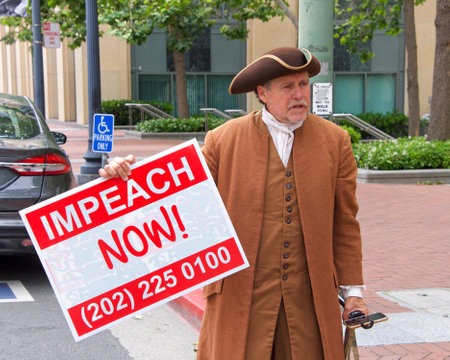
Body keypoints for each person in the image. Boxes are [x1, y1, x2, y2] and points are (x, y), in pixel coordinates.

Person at [99, 47, 368, 360]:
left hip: (309, 301)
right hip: (240, 297)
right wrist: (125, 178)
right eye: (287, 87)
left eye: (303, 84)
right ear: (262, 93)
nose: (299, 94)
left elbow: (345, 223)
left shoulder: (335, 141)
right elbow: (175, 199)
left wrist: (354, 293)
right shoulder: (223, 140)